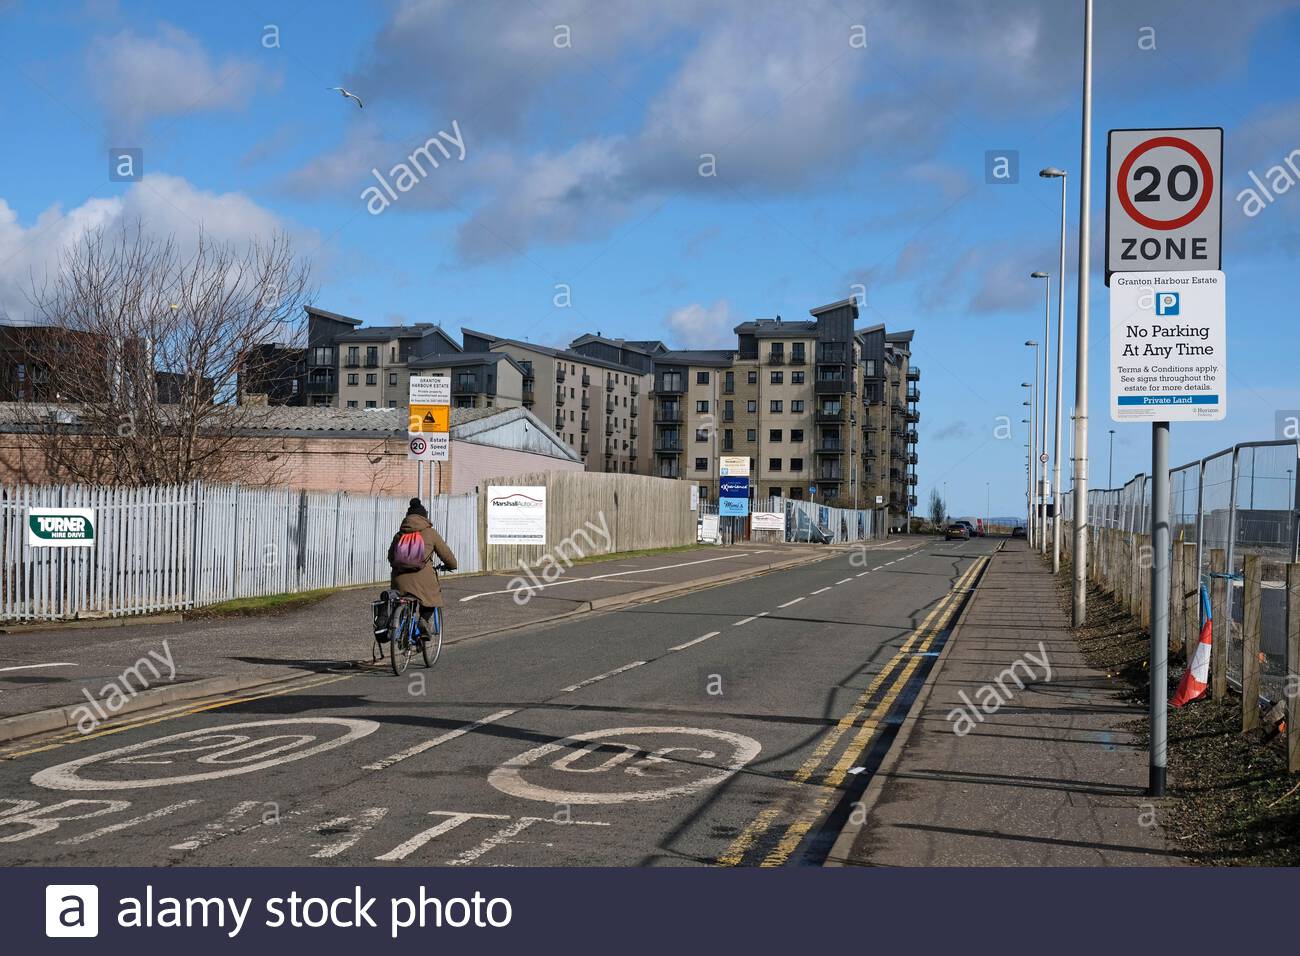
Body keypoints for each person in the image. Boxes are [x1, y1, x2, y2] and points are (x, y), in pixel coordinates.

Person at [387, 497, 458, 640]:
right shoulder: (430, 533)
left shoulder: (399, 534)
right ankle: (423, 621)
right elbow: (447, 556)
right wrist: (451, 566)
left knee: (403, 598)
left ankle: (403, 627)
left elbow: (390, 557)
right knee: (432, 597)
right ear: (424, 517)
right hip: (423, 581)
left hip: (399, 581)